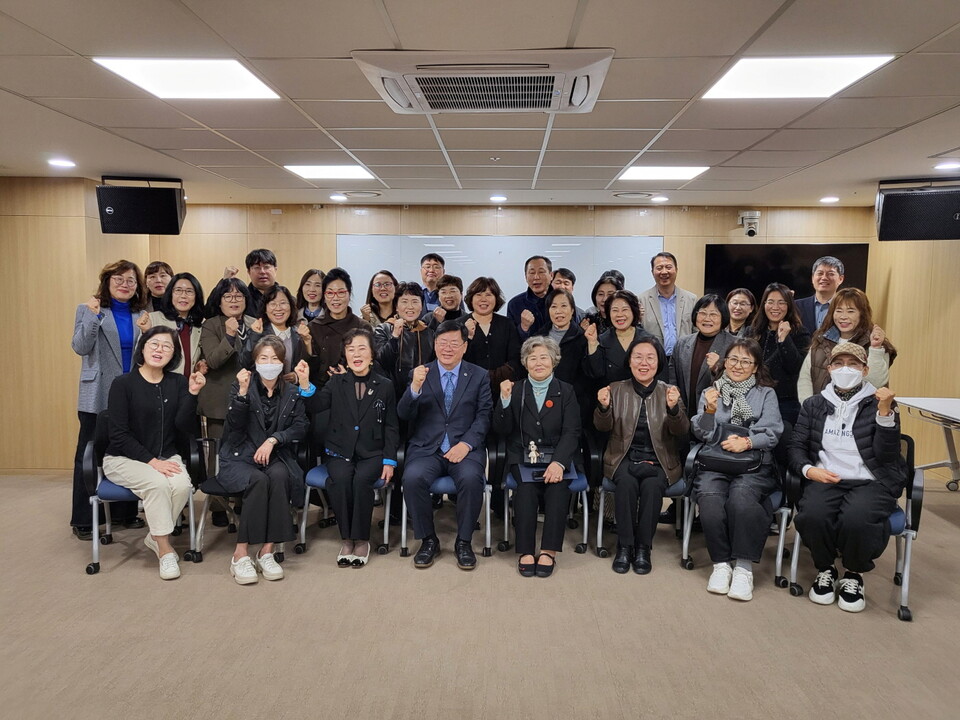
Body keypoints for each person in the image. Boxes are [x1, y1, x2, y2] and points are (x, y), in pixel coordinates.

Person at [788, 342, 903, 613]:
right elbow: (796, 446)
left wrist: (885, 413)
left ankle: (853, 573)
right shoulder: (815, 404)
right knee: (812, 515)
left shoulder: (881, 402)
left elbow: (887, 456)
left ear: (865, 370)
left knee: (858, 519)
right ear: (829, 369)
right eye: (839, 363)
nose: (845, 369)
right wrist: (809, 470)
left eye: (853, 364)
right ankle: (826, 568)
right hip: (826, 476)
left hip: (870, 479)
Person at [102, 327, 205, 580]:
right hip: (122, 458)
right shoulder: (123, 384)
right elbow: (118, 435)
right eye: (154, 344)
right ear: (143, 347)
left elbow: (183, 426)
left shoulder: (178, 382)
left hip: (165, 455)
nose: (159, 350)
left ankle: (154, 535)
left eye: (167, 346)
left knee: (182, 486)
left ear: (174, 355)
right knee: (158, 484)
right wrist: (152, 462)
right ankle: (165, 549)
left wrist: (192, 394)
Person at [691, 339, 784, 602]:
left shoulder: (765, 393)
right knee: (709, 500)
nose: (738, 365)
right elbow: (701, 432)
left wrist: (747, 441)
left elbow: (773, 431)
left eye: (746, 361)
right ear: (724, 362)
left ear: (755, 368)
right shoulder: (711, 391)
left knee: (741, 500)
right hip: (716, 461)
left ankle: (743, 568)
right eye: (733, 359)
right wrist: (709, 410)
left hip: (754, 462)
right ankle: (721, 564)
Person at [298, 329, 399, 567]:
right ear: (345, 354)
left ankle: (362, 539)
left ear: (372, 354)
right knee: (341, 481)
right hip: (339, 451)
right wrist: (304, 382)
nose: (356, 354)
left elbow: (392, 426)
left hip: (372, 452)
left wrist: (389, 460)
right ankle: (347, 538)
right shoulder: (337, 382)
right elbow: (316, 405)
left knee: (362, 480)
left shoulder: (384, 385)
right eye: (351, 349)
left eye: (362, 348)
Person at [397, 321, 493, 570]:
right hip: (427, 448)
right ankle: (428, 540)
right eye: (442, 343)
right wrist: (414, 387)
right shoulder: (421, 373)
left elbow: (484, 416)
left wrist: (467, 444)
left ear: (464, 346)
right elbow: (404, 414)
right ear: (434, 344)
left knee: (472, 479)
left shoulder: (479, 375)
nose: (447, 348)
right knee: (412, 477)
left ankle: (464, 541)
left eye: (453, 343)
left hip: (464, 447)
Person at [217, 336, 309, 585]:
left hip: (274, 455)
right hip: (239, 457)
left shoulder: (291, 391)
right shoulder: (241, 386)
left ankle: (267, 551)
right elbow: (233, 429)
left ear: (283, 363)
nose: (270, 364)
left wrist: (274, 440)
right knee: (258, 480)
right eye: (263, 358)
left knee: (280, 476)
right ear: (255, 362)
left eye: (275, 359)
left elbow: (301, 426)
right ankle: (240, 554)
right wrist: (243, 394)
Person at [594, 337, 688, 575]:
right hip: (622, 457)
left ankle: (644, 547)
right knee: (625, 483)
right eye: (638, 357)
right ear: (629, 361)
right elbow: (602, 427)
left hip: (660, 458)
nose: (643, 363)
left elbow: (682, 431)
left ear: (658, 363)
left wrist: (674, 409)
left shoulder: (670, 391)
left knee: (652, 487)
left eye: (650, 358)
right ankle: (625, 547)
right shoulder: (615, 389)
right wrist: (603, 408)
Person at [70, 259, 149, 540]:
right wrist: (92, 317)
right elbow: (80, 347)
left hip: (131, 394)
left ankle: (125, 514)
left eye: (130, 280)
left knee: (127, 452)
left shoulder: (142, 313)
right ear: (107, 282)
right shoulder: (90, 309)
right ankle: (82, 518)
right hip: (99, 391)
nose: (125, 285)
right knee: (90, 455)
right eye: (118, 279)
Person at [495, 337, 581, 577]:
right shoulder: (516, 388)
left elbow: (572, 431)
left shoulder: (566, 390)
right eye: (533, 358)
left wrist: (559, 462)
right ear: (525, 362)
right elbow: (501, 429)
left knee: (557, 488)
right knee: (526, 490)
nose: (538, 362)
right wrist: (504, 400)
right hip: (523, 456)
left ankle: (548, 551)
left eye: (544, 357)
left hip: (557, 456)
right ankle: (525, 550)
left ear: (554, 361)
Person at [797, 288, 897, 402]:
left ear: (862, 314)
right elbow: (805, 378)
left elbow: (876, 383)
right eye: (839, 310)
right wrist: (810, 408)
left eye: (850, 311)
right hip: (822, 413)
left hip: (861, 415)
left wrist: (875, 348)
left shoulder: (876, 343)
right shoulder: (821, 340)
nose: (843, 316)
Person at [747, 282, 811, 425]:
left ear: (789, 306)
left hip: (785, 403)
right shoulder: (752, 331)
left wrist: (784, 340)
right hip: (752, 398)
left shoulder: (800, 332)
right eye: (770, 302)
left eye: (781, 303)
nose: (775, 307)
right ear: (764, 304)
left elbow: (796, 368)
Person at [669, 294, 734, 420]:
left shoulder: (734, 345)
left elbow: (739, 384)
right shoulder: (682, 343)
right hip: (684, 414)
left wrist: (717, 368)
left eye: (714, 315)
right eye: (703, 313)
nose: (707, 318)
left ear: (723, 317)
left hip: (718, 417)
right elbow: (673, 379)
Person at [374, 281, 435, 399]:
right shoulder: (384, 329)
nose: (410, 307)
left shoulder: (429, 333)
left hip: (422, 394)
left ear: (421, 306)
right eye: (404, 302)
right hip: (391, 395)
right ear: (396, 306)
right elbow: (381, 362)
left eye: (415, 301)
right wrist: (395, 336)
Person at [462, 276, 522, 396]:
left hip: (503, 389)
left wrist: (495, 377)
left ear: (496, 298)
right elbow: (455, 359)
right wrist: (467, 336)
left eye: (489, 295)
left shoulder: (507, 324)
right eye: (478, 295)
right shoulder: (459, 324)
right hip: (467, 390)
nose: (483, 299)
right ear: (471, 298)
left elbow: (515, 358)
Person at [307, 267, 367, 387]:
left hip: (355, 389)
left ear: (349, 294)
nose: (335, 298)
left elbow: (369, 364)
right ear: (324, 296)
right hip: (321, 392)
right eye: (330, 293)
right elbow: (309, 368)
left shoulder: (363, 327)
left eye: (341, 292)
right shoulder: (314, 327)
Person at [242, 284, 312, 383]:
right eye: (272, 303)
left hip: (291, 393)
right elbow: (245, 364)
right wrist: (255, 336)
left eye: (283, 303)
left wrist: (296, 377)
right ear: (265, 309)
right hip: (262, 393)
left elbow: (309, 366)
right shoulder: (257, 332)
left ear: (291, 306)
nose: (278, 308)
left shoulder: (298, 334)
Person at [584, 290, 655, 386]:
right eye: (615, 310)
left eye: (625, 309)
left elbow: (661, 378)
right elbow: (596, 374)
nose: (620, 315)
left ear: (634, 311)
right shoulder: (601, 340)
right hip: (611, 397)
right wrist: (592, 343)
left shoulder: (649, 340)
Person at [145, 272, 206, 375]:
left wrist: (202, 362)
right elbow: (140, 356)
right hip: (159, 386)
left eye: (189, 291)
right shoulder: (152, 319)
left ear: (196, 296)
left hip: (189, 387)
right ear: (170, 294)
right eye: (178, 290)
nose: (183, 296)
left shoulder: (199, 325)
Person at [638, 252, 698, 357]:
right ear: (652, 272)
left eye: (668, 267)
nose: (664, 272)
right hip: (654, 359)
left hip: (684, 358)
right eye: (659, 268)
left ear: (676, 270)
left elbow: (697, 332)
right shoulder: (641, 300)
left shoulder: (691, 299)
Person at [530, 288, 587, 391]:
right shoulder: (538, 338)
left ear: (572, 310)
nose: (558, 311)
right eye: (554, 307)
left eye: (564, 306)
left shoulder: (583, 338)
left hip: (572, 398)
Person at [795, 256, 845, 335]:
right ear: (812, 278)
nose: (824, 278)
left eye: (830, 274)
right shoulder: (796, 306)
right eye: (820, 273)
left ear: (841, 279)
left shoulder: (848, 307)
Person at [506, 255, 552, 340]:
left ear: (551, 275)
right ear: (526, 277)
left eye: (541, 272)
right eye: (532, 273)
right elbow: (511, 341)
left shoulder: (561, 300)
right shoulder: (515, 304)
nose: (536, 277)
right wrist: (523, 328)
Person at [240, 248, 279, 317]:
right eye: (257, 268)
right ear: (249, 272)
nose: (262, 272)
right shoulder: (241, 299)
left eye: (266, 267)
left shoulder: (288, 299)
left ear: (275, 270)